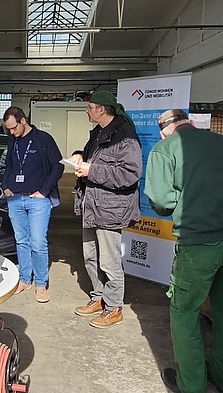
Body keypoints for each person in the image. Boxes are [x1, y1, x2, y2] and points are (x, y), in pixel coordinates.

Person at [145, 109, 223, 393]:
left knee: (185, 312)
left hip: (200, 243)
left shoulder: (164, 149)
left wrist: (180, 203)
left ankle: (192, 387)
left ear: (164, 131)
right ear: (191, 123)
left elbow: (160, 200)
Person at [69, 90, 142, 329]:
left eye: (90, 107)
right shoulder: (100, 132)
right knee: (90, 256)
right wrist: (80, 155)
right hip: (92, 204)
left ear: (102, 110)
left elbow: (130, 174)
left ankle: (114, 308)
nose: (87, 111)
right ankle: (98, 297)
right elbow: (95, 158)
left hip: (110, 208)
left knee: (109, 261)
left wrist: (92, 171)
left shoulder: (125, 137)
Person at [1, 106, 64, 303]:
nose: (12, 132)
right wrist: (5, 185)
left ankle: (41, 284)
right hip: (15, 198)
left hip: (37, 200)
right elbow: (9, 166)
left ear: (23, 120)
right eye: (9, 129)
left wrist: (43, 191)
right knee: (21, 241)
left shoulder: (43, 139)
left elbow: (58, 166)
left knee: (38, 242)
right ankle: (25, 279)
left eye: (14, 128)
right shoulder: (13, 140)